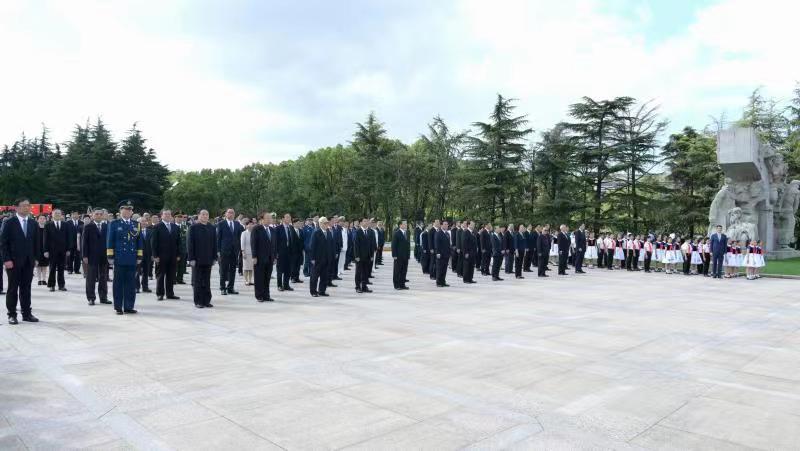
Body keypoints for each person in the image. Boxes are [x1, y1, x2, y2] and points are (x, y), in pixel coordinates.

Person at [1, 198, 39, 324]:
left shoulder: (33, 223)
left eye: (28, 205)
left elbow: (36, 243)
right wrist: (6, 259)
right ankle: (12, 314)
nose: (27, 208)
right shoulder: (9, 222)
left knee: (26, 288)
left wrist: (36, 258)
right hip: (13, 261)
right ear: (16, 208)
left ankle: (26, 313)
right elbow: (3, 243)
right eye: (23, 206)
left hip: (29, 261)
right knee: (13, 288)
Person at [106, 200, 143, 315]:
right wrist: (110, 256)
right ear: (120, 210)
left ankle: (128, 306)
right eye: (126, 209)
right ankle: (118, 307)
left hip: (132, 258)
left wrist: (139, 256)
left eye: (130, 210)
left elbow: (139, 242)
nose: (128, 211)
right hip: (119, 257)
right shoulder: (114, 224)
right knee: (118, 283)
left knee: (131, 284)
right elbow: (110, 240)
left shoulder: (136, 224)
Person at [188, 209, 217, 308]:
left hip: (208, 259)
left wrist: (214, 257)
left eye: (207, 214)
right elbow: (190, 244)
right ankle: (198, 301)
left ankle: (206, 300)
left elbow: (214, 244)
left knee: (207, 281)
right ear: (199, 216)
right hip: (197, 260)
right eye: (203, 214)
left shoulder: (212, 228)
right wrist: (191, 258)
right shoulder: (193, 228)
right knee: (198, 281)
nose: (205, 216)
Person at [151, 209, 181, 301]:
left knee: (171, 275)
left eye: (169, 214)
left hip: (173, 256)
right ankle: (160, 294)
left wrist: (178, 254)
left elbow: (178, 242)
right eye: (165, 214)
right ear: (161, 216)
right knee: (160, 275)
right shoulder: (157, 226)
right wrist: (155, 256)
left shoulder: (175, 227)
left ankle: (170, 293)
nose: (168, 216)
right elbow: (153, 242)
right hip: (161, 256)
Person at [82, 209, 110, 305]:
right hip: (91, 256)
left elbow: (109, 242)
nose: (98, 216)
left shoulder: (106, 226)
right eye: (96, 214)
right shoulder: (88, 227)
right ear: (92, 216)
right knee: (91, 277)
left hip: (104, 255)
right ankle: (91, 298)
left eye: (100, 214)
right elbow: (84, 242)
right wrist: (84, 255)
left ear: (103, 216)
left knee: (103, 277)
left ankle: (103, 297)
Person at [43, 209, 71, 292]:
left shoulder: (65, 225)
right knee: (52, 268)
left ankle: (61, 285)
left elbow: (68, 238)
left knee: (61, 268)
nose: (58, 214)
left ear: (61, 215)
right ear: (52, 215)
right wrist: (45, 251)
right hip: (52, 250)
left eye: (59, 213)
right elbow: (45, 239)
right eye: (56, 213)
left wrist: (68, 249)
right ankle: (51, 285)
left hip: (63, 250)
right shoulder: (48, 225)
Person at [217, 208, 243, 295]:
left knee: (233, 270)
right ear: (225, 214)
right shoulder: (221, 224)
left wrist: (239, 249)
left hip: (234, 251)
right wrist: (218, 251)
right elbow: (218, 238)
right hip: (224, 251)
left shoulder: (237, 224)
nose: (231, 214)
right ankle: (222, 288)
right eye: (229, 212)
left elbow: (239, 238)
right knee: (223, 270)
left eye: (232, 213)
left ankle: (230, 287)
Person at [251, 212, 276, 302]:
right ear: (262, 219)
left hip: (270, 258)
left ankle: (266, 295)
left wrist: (274, 257)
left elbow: (274, 245)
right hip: (259, 258)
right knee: (259, 278)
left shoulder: (272, 230)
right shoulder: (256, 229)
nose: (270, 220)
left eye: (270, 218)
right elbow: (253, 243)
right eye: (268, 218)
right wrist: (254, 256)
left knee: (267, 277)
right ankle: (259, 295)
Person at [309, 216, 332, 297]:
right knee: (314, 277)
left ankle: (322, 290)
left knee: (324, 276)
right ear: (321, 224)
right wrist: (312, 258)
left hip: (326, 259)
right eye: (325, 223)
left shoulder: (328, 232)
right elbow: (312, 246)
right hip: (317, 259)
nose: (327, 225)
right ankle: (313, 291)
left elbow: (330, 246)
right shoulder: (316, 233)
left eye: (327, 223)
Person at [354, 218, 372, 293]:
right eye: (364, 221)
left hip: (367, 256)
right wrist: (357, 256)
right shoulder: (358, 232)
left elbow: (371, 244)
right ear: (361, 223)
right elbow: (356, 245)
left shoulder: (369, 232)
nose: (366, 222)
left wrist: (371, 255)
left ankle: (364, 286)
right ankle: (358, 287)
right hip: (360, 256)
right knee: (358, 272)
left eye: (367, 221)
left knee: (365, 272)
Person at [391, 220, 410, 290]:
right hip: (398, 256)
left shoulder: (407, 233)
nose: (406, 225)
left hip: (405, 256)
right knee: (397, 271)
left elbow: (408, 245)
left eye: (406, 224)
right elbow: (393, 245)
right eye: (404, 224)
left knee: (404, 271)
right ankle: (396, 285)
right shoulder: (396, 234)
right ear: (400, 225)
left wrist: (408, 255)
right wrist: (394, 255)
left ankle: (402, 284)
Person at [136, 217, 153, 293]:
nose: (144, 222)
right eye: (142, 221)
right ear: (138, 223)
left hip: (148, 255)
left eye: (145, 221)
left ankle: (145, 287)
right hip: (138, 255)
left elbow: (153, 244)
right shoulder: (135, 231)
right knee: (137, 272)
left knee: (146, 272)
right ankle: (136, 287)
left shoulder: (150, 231)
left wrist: (153, 254)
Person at [435, 220, 451, 287]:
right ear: (441, 225)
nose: (446, 225)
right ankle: (438, 282)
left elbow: (448, 244)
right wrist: (438, 253)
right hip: (440, 254)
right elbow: (437, 244)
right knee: (440, 268)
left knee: (444, 269)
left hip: (446, 254)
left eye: (447, 224)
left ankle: (443, 281)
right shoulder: (438, 233)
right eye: (444, 224)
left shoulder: (447, 233)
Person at [35, 215, 48, 286]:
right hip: (37, 248)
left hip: (45, 249)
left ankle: (44, 279)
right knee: (38, 265)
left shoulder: (47, 228)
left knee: (45, 265)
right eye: (40, 218)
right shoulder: (35, 228)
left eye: (44, 218)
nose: (42, 220)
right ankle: (39, 279)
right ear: (37, 220)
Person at [176, 214, 189, 284]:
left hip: (183, 248)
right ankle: (173, 279)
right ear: (175, 218)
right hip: (174, 249)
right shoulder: (173, 226)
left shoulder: (185, 226)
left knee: (182, 265)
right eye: (178, 217)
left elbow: (187, 238)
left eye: (181, 218)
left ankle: (180, 279)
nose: (180, 219)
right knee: (174, 265)